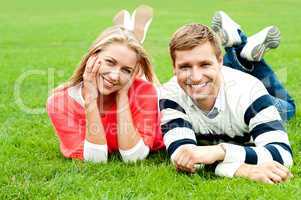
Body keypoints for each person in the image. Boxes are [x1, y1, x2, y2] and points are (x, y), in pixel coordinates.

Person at [158, 11, 295, 184]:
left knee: (288, 107)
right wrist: (243, 170)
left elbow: (282, 154)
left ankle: (240, 48)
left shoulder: (249, 90)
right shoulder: (170, 94)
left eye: (204, 64)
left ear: (220, 61)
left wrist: (220, 151)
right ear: (174, 68)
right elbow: (182, 157)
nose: (196, 76)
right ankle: (242, 52)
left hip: (242, 92)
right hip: (226, 87)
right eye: (185, 67)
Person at [47, 5, 164, 163]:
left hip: (150, 96)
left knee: (159, 91)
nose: (115, 75)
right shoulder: (59, 102)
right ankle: (130, 36)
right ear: (92, 57)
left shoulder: (145, 92)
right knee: (127, 62)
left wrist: (122, 96)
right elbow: (95, 159)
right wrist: (90, 99)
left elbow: (134, 157)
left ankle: (131, 38)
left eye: (126, 70)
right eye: (110, 61)